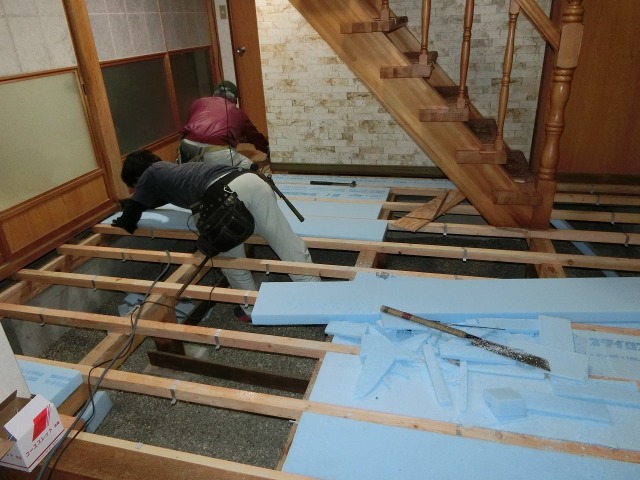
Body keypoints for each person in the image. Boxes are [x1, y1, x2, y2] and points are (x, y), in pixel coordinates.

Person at [112, 150, 319, 321]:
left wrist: (121, 222)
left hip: (220, 197)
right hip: (251, 181)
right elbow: (154, 200)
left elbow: (131, 214)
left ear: (137, 178)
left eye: (134, 187)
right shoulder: (172, 170)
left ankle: (252, 307)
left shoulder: (149, 174)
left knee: (231, 260)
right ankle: (316, 295)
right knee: (283, 239)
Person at [178, 80, 269, 170]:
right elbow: (254, 136)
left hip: (185, 146)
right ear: (235, 99)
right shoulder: (238, 112)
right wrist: (267, 149)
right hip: (215, 151)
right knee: (250, 167)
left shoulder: (198, 102)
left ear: (214, 94)